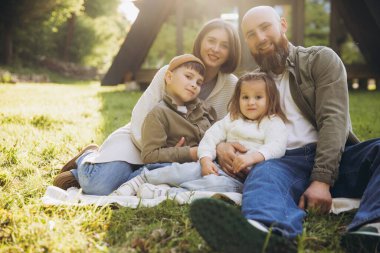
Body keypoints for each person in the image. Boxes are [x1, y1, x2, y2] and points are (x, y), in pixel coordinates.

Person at [189, 5, 380, 253]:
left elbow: (334, 121)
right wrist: (222, 145)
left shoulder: (320, 59)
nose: (260, 38)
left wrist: (321, 180)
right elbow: (229, 123)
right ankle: (265, 234)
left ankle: (371, 229)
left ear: (282, 24)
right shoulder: (253, 83)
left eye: (265, 27)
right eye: (251, 34)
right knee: (264, 174)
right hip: (282, 163)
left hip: (335, 156)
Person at [52, 18, 241, 195]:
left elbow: (222, 132)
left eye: (224, 45)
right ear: (201, 41)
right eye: (211, 41)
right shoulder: (170, 72)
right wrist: (159, 153)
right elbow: (141, 117)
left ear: (231, 51)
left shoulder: (232, 86)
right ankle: (88, 156)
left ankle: (125, 174)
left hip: (185, 157)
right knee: (98, 185)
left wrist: (180, 155)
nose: (216, 49)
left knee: (167, 179)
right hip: (140, 140)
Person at [111, 72, 288, 198]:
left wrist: (252, 157)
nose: (251, 102)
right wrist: (205, 159)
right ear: (238, 99)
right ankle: (141, 179)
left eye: (258, 97)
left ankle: (167, 193)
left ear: (270, 99)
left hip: (238, 179)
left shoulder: (272, 122)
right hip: (215, 166)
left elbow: (277, 146)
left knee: (213, 187)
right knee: (183, 170)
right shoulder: (233, 118)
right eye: (245, 97)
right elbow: (211, 137)